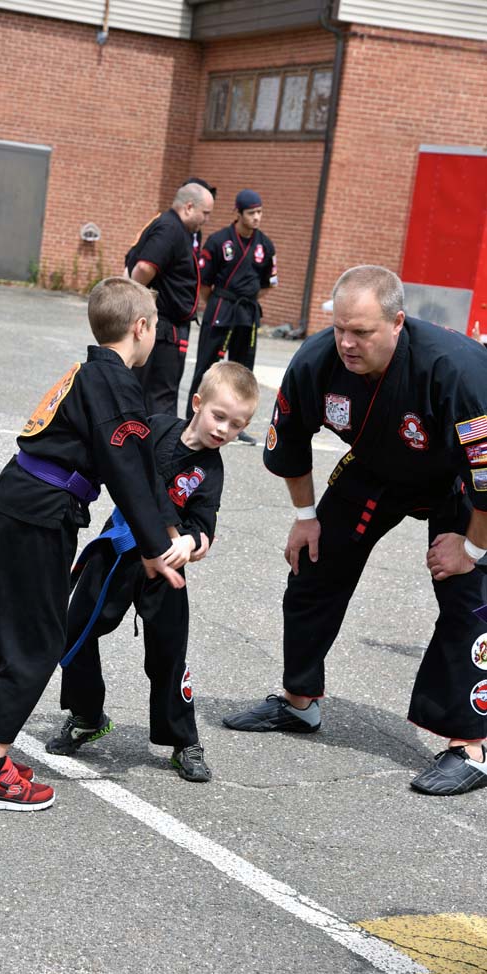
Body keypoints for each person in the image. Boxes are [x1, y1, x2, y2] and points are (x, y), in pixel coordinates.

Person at [223, 265, 487, 796]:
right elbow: (291, 443)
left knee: (470, 596)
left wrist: (473, 547)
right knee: (312, 565)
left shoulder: (454, 370)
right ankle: (300, 703)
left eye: (362, 332)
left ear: (397, 324)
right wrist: (305, 518)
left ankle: (471, 745)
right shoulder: (317, 360)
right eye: (341, 327)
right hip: (375, 467)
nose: (347, 342)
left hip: (460, 480)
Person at [0, 277, 188, 812]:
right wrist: (152, 549)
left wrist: (165, 526)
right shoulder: (115, 384)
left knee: (8, 621)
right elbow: (126, 470)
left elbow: (139, 464)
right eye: (155, 330)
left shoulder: (91, 373)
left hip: (21, 495)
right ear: (141, 328)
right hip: (42, 508)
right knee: (37, 637)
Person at [46, 361, 259, 781]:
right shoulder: (156, 426)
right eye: (219, 416)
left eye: (236, 425)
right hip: (118, 552)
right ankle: (87, 715)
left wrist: (188, 543)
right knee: (76, 630)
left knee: (168, 654)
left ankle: (183, 740)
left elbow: (204, 527)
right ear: (197, 404)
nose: (223, 430)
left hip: (165, 569)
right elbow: (123, 467)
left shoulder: (210, 471)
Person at [186, 189, 278, 446]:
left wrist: (248, 301)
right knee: (207, 366)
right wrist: (218, 302)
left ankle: (236, 424)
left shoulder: (265, 245)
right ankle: (191, 418)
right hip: (222, 308)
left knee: (243, 372)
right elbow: (204, 284)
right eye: (252, 213)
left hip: (247, 312)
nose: (257, 218)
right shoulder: (219, 241)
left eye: (260, 212)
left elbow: (268, 284)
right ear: (237, 213)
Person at [126, 182, 215, 416]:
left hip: (166, 326)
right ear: (188, 207)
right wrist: (137, 300)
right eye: (205, 213)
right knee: (161, 395)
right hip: (164, 328)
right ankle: (159, 449)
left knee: (155, 392)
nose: (206, 220)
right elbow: (144, 267)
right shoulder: (170, 229)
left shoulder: (174, 228)